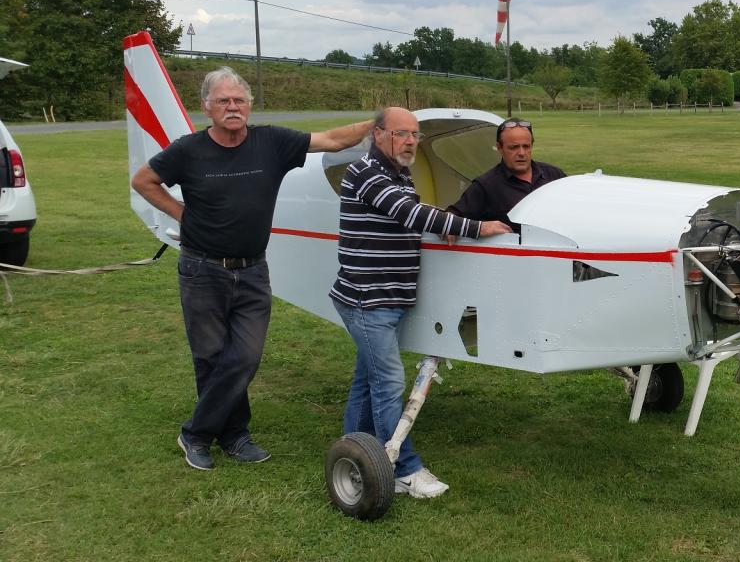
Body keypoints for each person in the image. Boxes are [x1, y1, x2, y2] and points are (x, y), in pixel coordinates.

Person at [131, 66, 374, 471]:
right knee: (210, 357)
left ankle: (195, 432)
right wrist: (181, 214)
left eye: (239, 100)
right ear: (207, 107)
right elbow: (144, 180)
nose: (232, 107)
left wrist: (381, 121)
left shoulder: (272, 143)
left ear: (249, 105)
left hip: (253, 270)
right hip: (202, 269)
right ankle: (232, 435)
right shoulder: (188, 150)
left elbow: (332, 139)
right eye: (223, 101)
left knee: (244, 357)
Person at [329, 107, 510, 499]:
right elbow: (410, 213)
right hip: (367, 298)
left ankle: (355, 446)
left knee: (368, 379)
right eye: (401, 134)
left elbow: (414, 216)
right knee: (389, 382)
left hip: (388, 298)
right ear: (378, 135)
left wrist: (446, 222)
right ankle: (402, 468)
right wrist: (476, 227)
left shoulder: (399, 173)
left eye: (415, 135)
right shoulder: (366, 173)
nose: (410, 141)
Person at [447, 117, 566, 232]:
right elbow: (450, 218)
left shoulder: (554, 175)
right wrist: (477, 227)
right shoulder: (486, 185)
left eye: (526, 146)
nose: (521, 153)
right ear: (499, 148)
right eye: (513, 147)